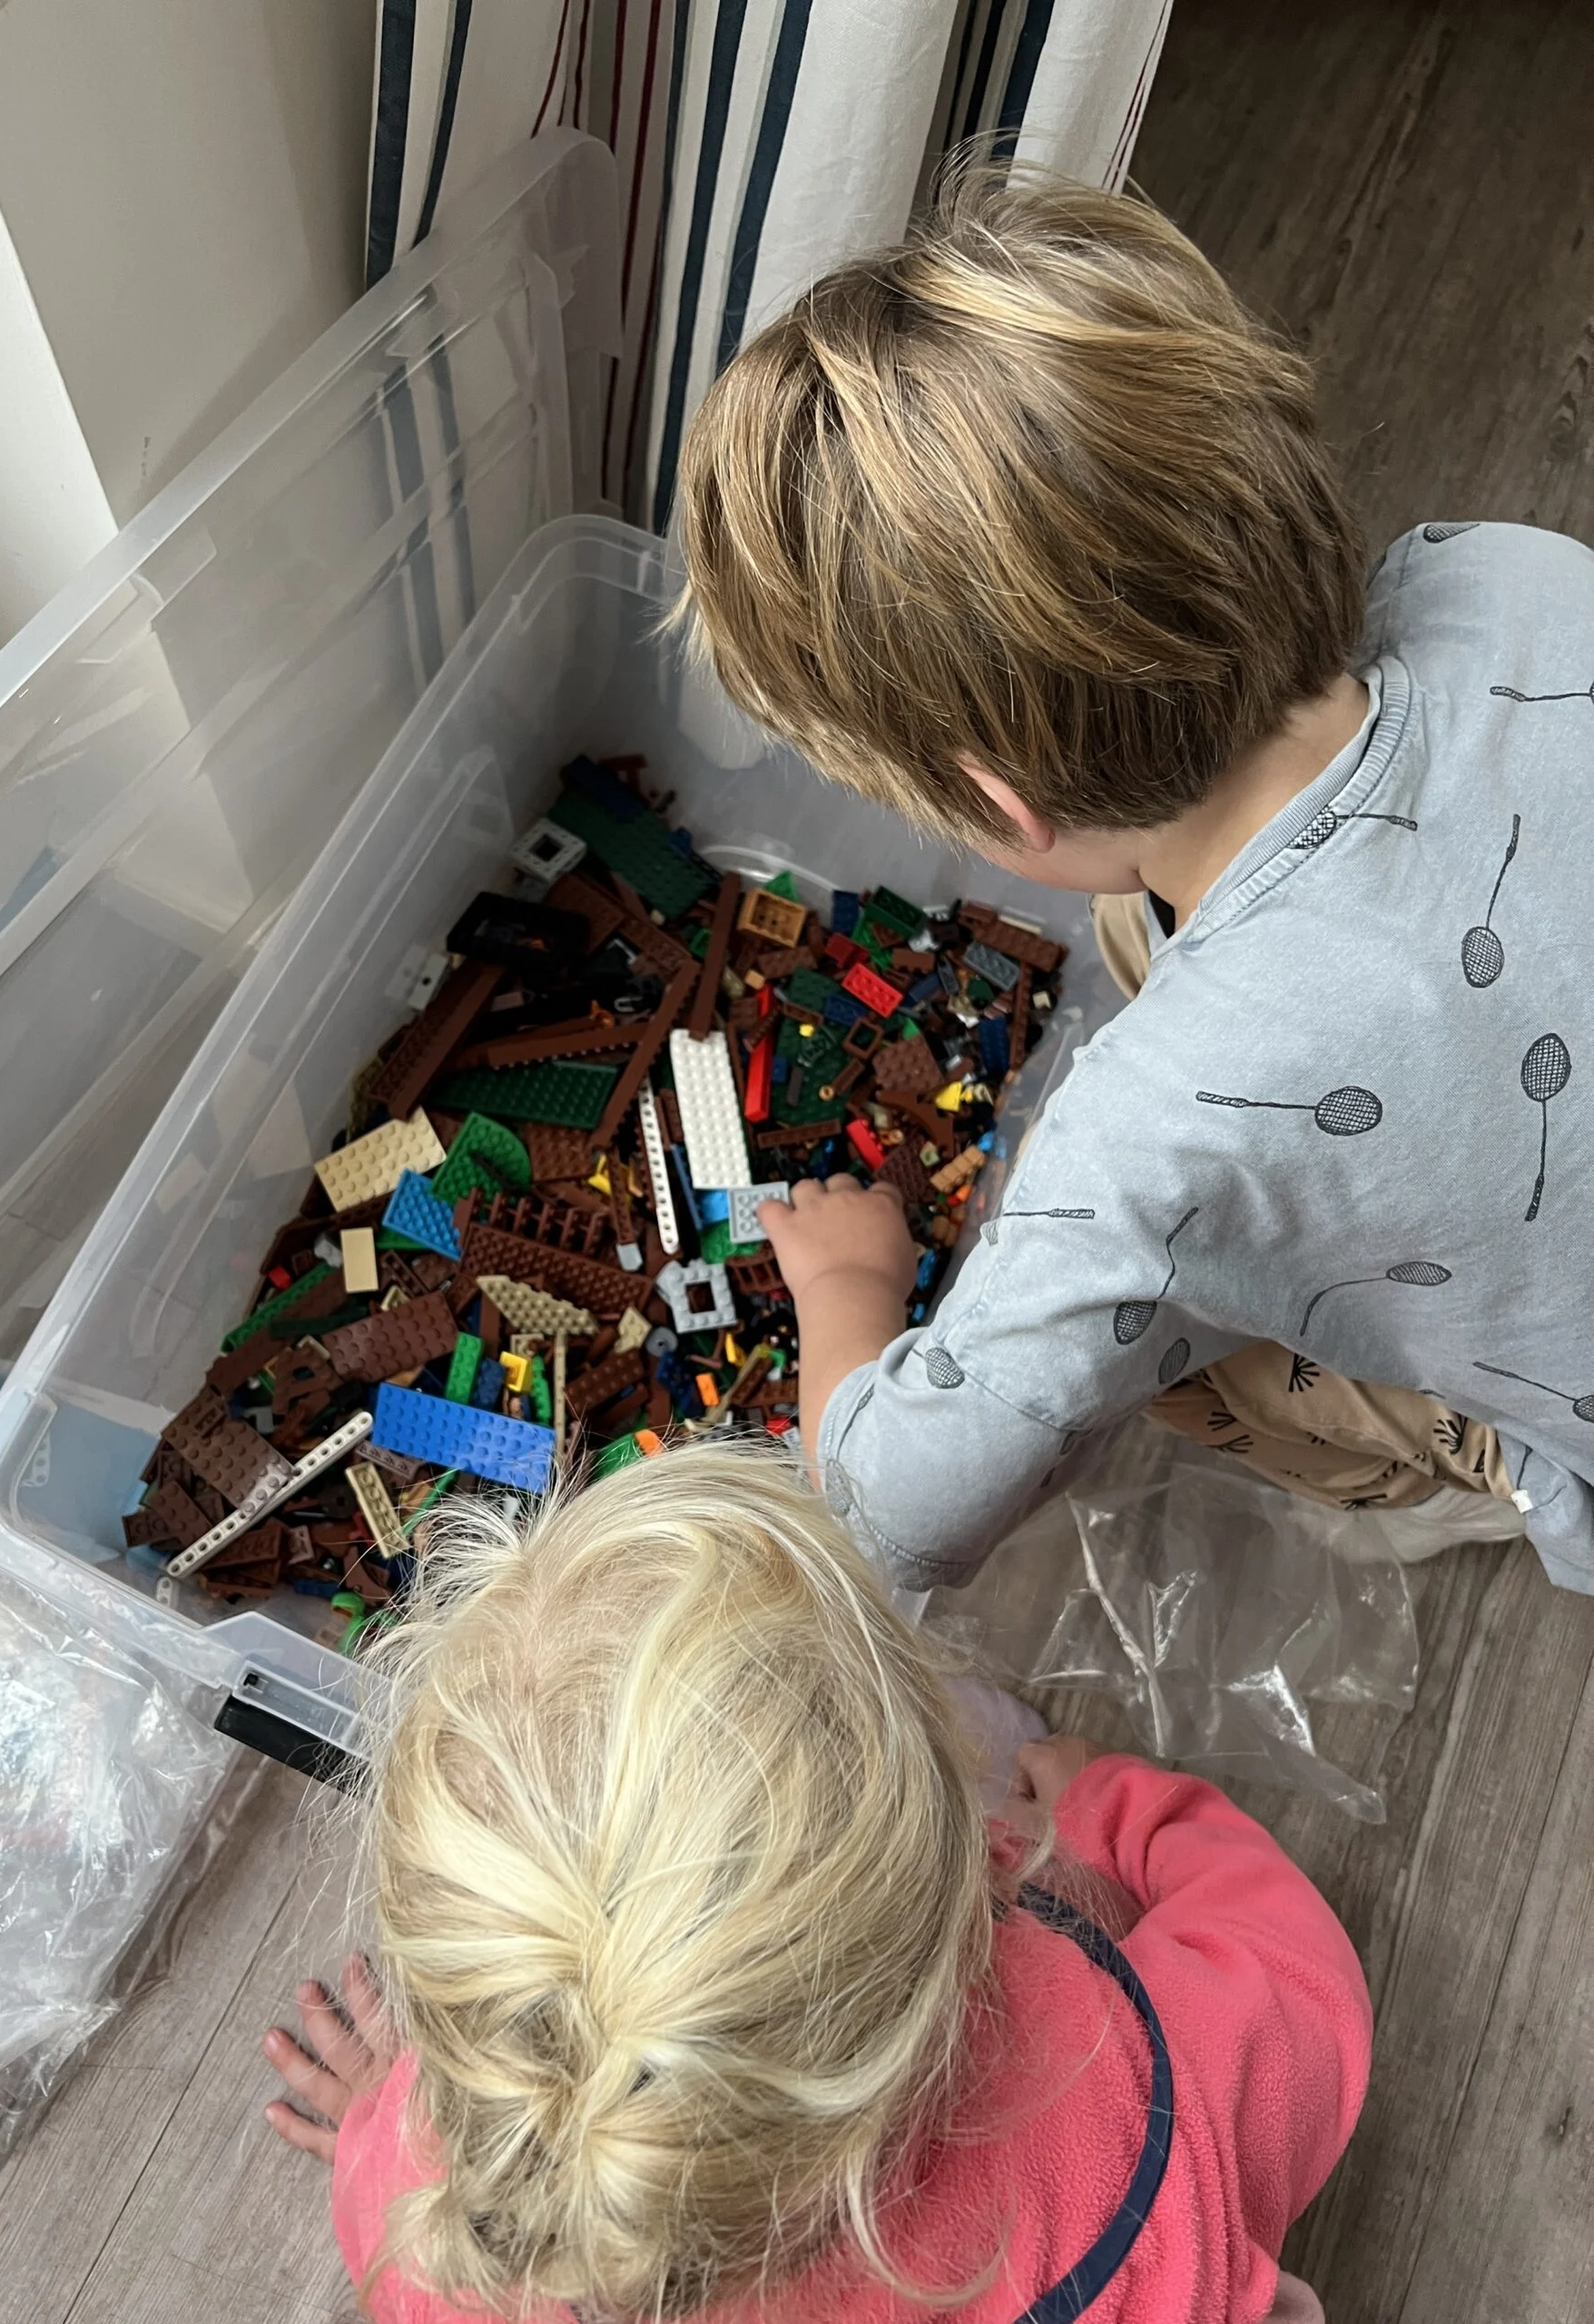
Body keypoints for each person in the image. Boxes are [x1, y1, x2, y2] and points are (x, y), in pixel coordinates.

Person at [674, 164, 1594, 1597]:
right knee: (1140, 919)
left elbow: (891, 1517)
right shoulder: (1507, 573)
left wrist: (850, 1293)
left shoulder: (1145, 1151)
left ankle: (1481, 1464)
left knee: (1178, 1368)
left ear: (994, 804)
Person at [261, 1443, 1367, 2323]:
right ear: (970, 1849)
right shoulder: (1132, 2075)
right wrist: (1107, 1806)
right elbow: (1300, 1980)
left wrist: (376, 2134)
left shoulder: (487, 2228)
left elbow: (410, 2254)